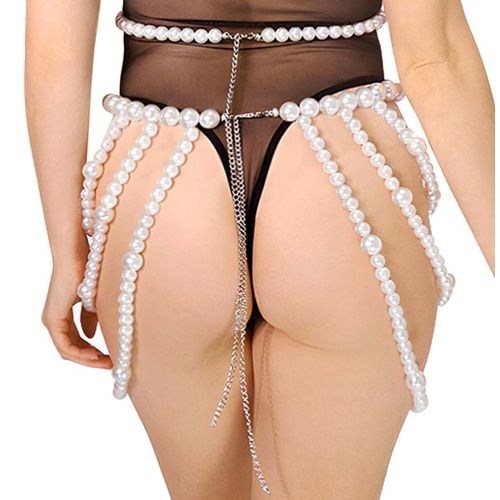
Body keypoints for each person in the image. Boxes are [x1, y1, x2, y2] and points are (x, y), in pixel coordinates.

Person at [25, 1, 494, 498]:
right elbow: (434, 59)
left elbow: (54, 51)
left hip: (165, 186)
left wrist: (67, 254)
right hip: (337, 175)